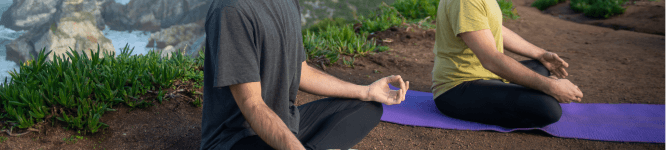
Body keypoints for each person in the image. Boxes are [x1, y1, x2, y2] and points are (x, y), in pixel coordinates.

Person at [201, 0, 410, 149]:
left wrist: (366, 91)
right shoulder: (231, 10)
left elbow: (302, 72)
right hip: (237, 139)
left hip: (284, 125)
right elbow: (252, 104)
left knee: (367, 106)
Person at [432, 0, 584, 128]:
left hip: (487, 76)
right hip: (456, 89)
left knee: (541, 67)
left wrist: (540, 54)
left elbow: (495, 29)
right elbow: (491, 59)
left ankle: (522, 87)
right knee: (549, 109)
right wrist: (551, 87)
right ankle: (533, 90)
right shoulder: (466, 2)